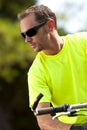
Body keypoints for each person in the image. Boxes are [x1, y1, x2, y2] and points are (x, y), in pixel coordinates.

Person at [17, 4, 87, 130]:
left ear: (50, 25)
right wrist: (78, 129)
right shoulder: (36, 72)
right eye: (24, 35)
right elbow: (45, 122)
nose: (27, 39)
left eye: (31, 32)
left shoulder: (83, 42)